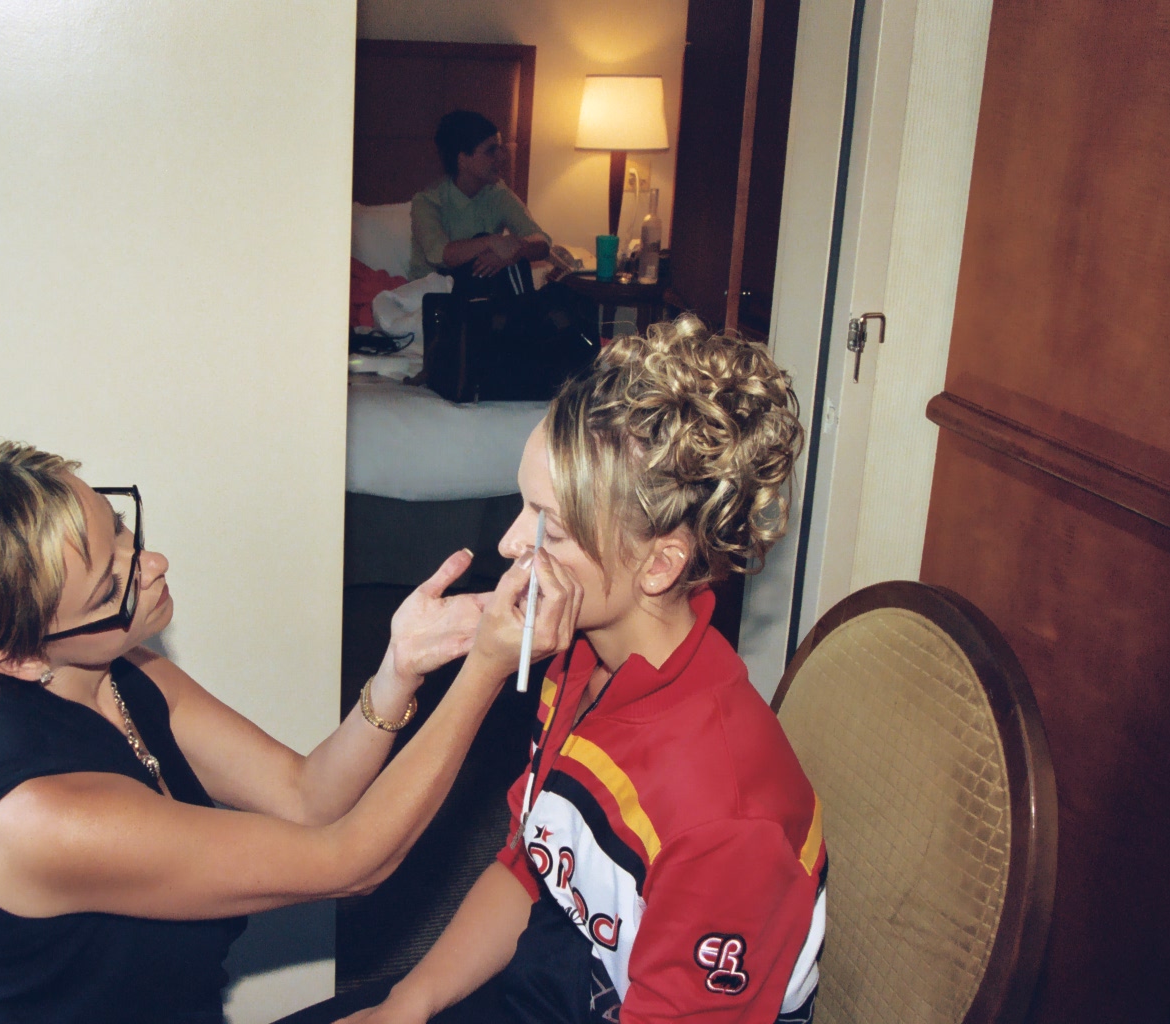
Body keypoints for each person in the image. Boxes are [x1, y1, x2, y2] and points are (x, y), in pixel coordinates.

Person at [0, 428, 581, 1024]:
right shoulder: (41, 816)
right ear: (19, 657)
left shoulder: (122, 672)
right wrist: (486, 670)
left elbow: (307, 796)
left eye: (122, 531)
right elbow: (350, 862)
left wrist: (400, 667)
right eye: (112, 581)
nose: (152, 562)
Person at [342, 317, 825, 1024]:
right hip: (569, 961)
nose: (509, 544)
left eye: (550, 527)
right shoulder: (579, 660)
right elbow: (534, 864)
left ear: (658, 564)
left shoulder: (721, 818)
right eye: (523, 505)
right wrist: (405, 1004)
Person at [408, 110, 551, 283]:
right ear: (463, 159)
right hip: (432, 291)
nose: (501, 157)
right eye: (491, 151)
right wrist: (490, 242)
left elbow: (542, 242)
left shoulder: (496, 192)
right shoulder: (428, 201)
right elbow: (440, 254)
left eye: (500, 148)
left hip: (481, 290)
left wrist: (512, 253)